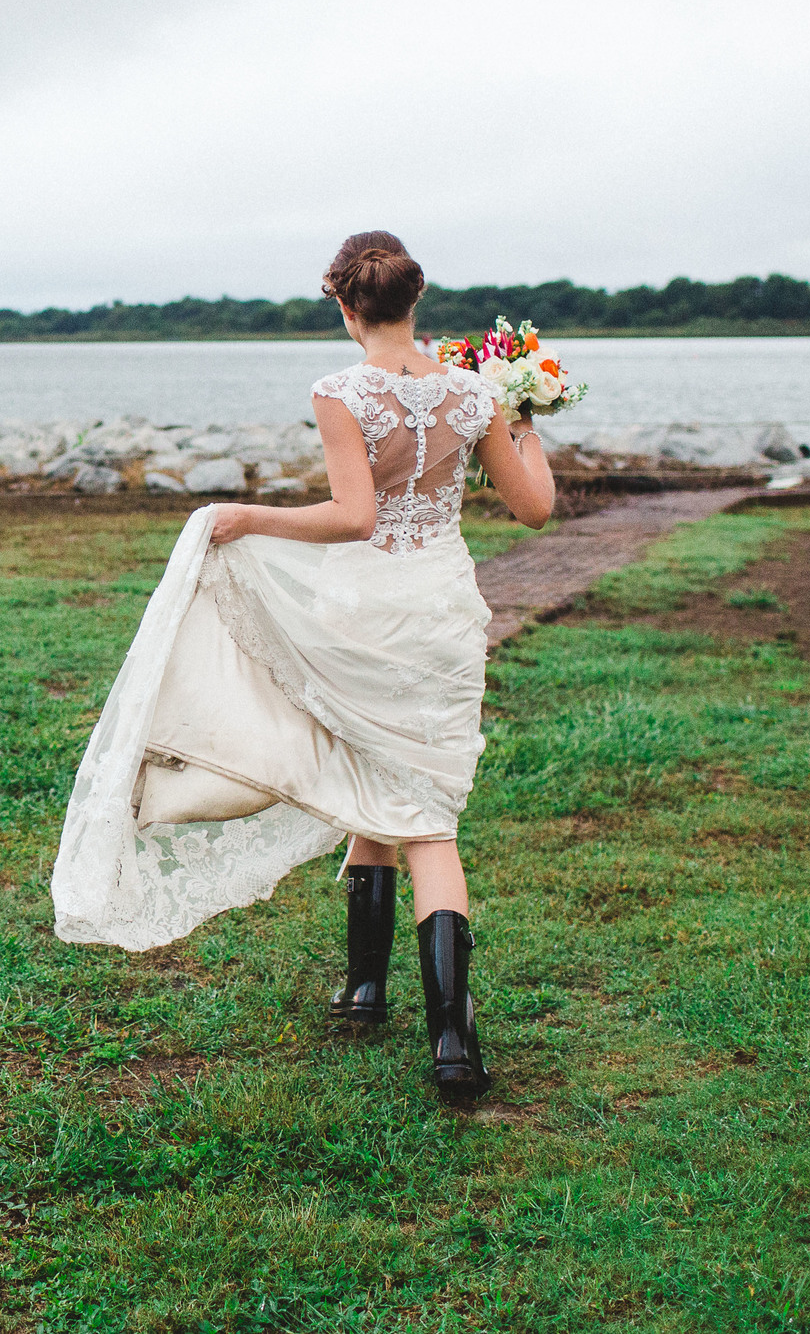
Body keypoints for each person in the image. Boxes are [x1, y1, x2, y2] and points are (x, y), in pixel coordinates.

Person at [50, 231, 555, 1102]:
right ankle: (440, 1033)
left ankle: (390, 1000)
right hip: (438, 612)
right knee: (414, 797)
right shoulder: (473, 394)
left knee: (400, 793)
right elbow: (537, 508)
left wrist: (250, 515)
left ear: (345, 306)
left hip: (360, 609)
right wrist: (528, 423)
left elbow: (355, 517)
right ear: (416, 297)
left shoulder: (340, 390)